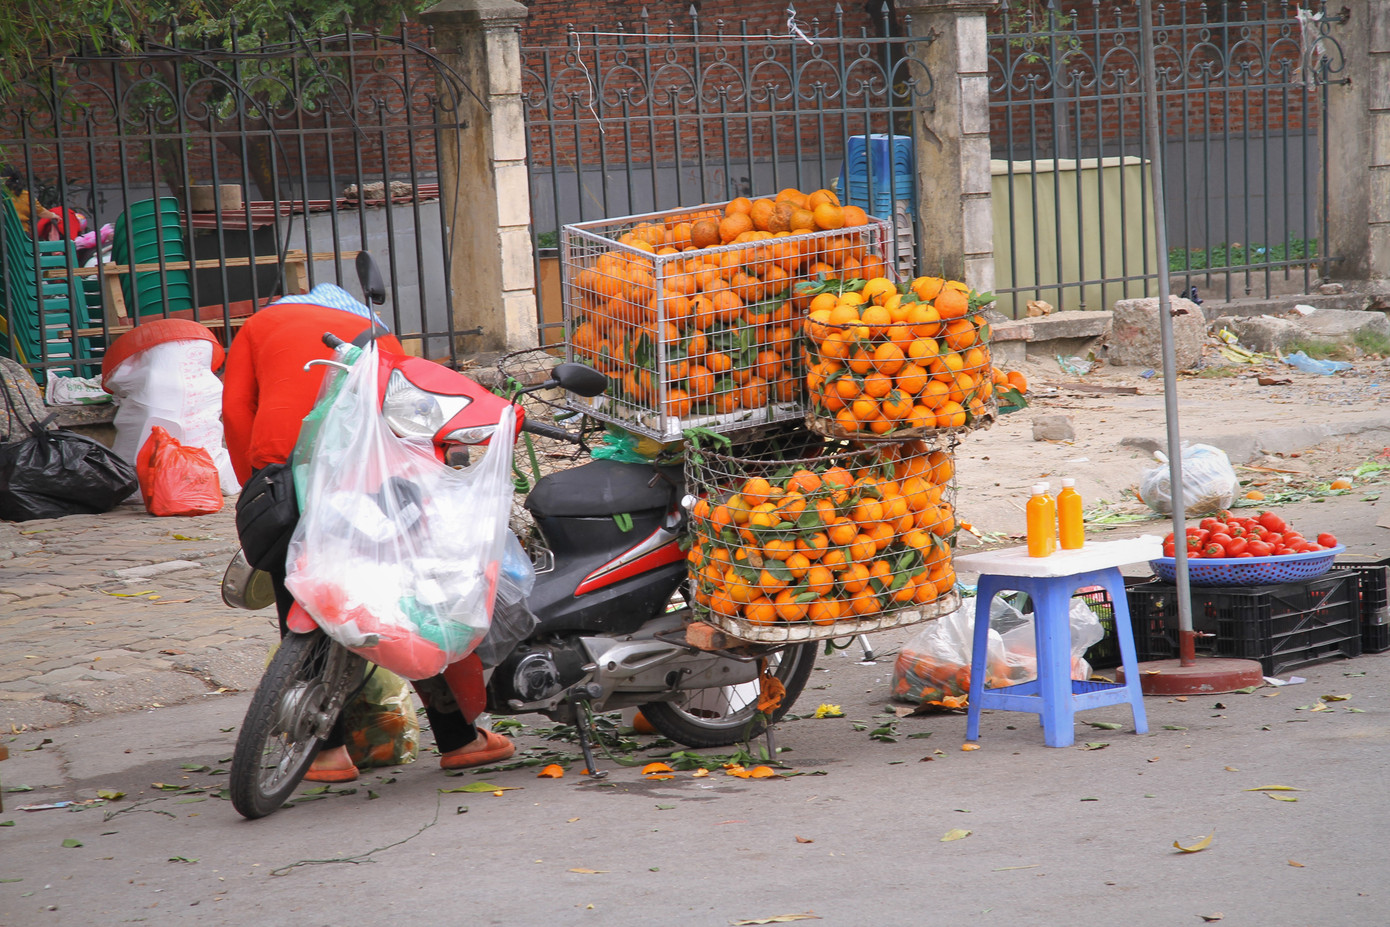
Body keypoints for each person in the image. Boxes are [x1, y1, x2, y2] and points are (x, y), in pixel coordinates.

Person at [222, 283, 515, 782]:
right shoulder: (377, 331)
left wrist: (257, 484)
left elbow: (234, 412)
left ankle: (327, 752)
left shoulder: (259, 325)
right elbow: (413, 413)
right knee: (413, 600)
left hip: (285, 471)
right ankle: (460, 739)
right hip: (370, 477)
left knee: (301, 591)